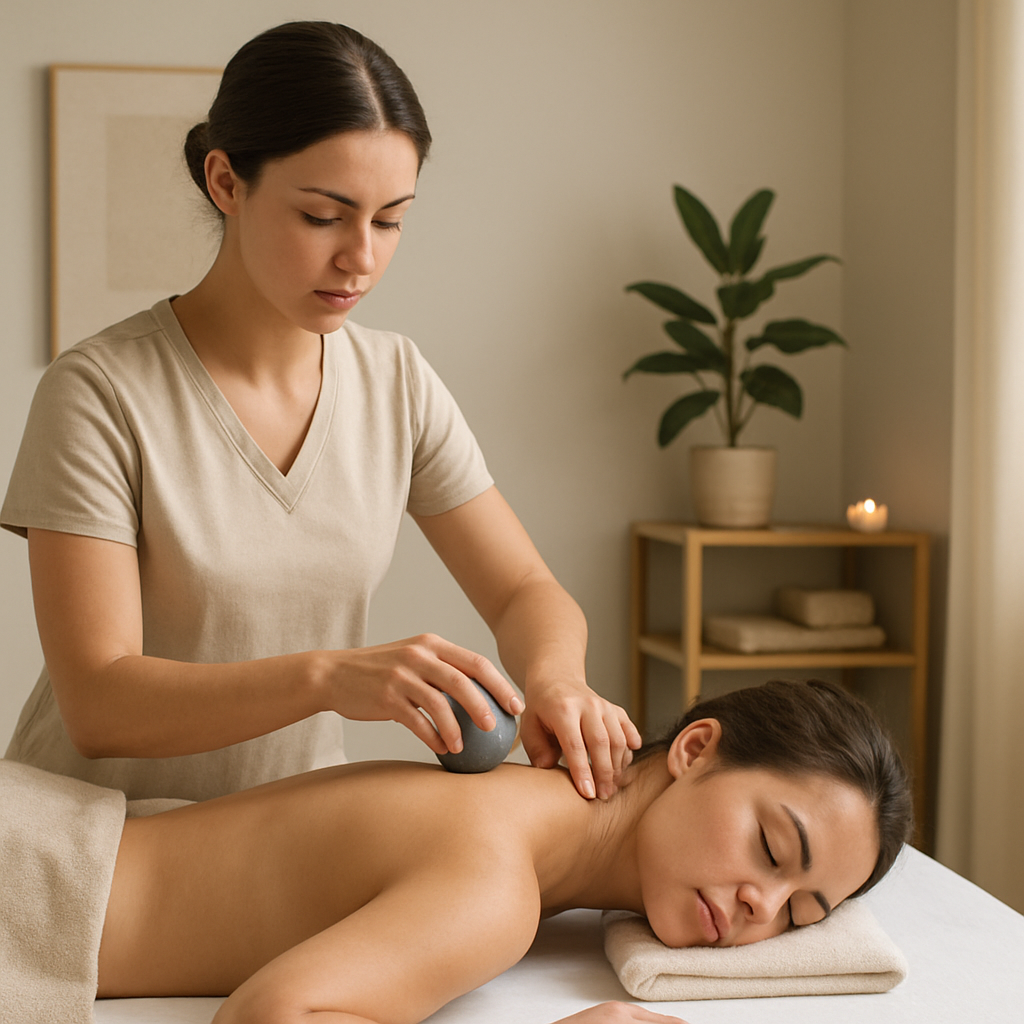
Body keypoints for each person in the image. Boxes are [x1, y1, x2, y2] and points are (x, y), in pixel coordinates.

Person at [0, 21, 639, 804]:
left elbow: (522, 590)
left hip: (285, 847)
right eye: (322, 216)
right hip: (89, 845)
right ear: (226, 182)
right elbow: (99, 702)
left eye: (390, 219)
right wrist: (331, 678)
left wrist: (558, 680)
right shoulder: (98, 393)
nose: (361, 258)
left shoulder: (396, 380)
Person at [77, 680, 910, 1024]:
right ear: (695, 750)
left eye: (800, 913)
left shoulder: (519, 805)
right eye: (770, 847)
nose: (762, 907)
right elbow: (271, 1016)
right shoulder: (498, 885)